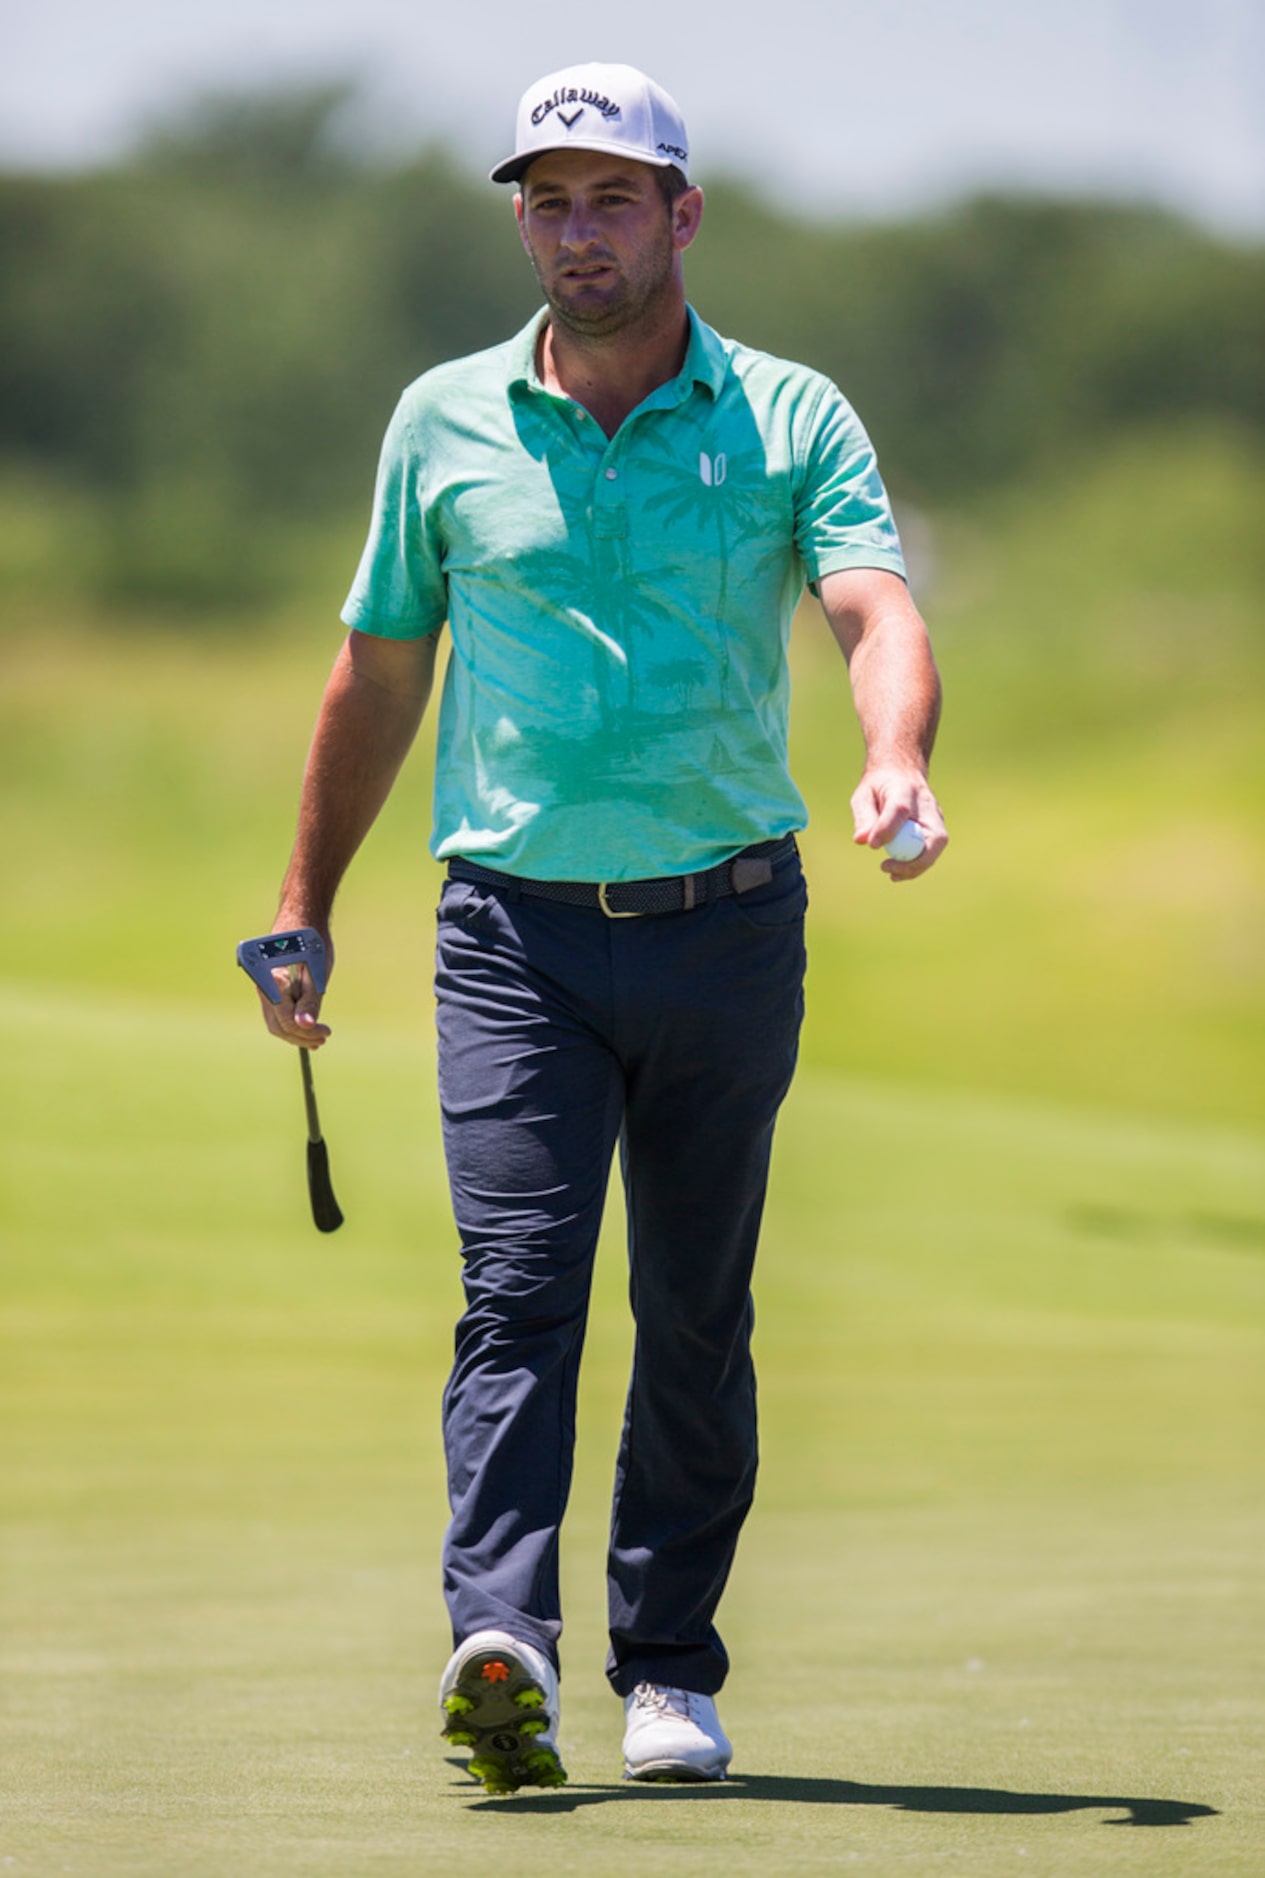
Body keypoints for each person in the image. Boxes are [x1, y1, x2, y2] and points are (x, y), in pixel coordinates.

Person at [252, 60, 947, 1795]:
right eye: (548, 201)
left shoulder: (784, 413)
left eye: (610, 198)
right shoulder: (444, 418)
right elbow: (379, 669)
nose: (575, 232)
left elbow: (870, 602)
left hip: (728, 920)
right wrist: (301, 908)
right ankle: (502, 1634)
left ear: (680, 214)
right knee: (519, 1289)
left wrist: (893, 758)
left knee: (694, 1307)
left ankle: (666, 1666)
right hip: (511, 933)